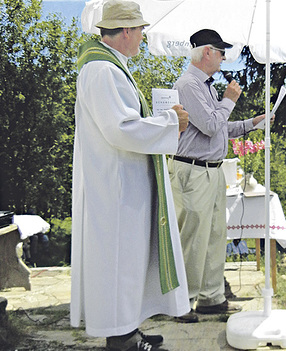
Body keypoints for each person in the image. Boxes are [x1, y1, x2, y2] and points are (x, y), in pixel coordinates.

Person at [70, 1, 190, 350]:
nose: (142, 36)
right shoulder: (101, 71)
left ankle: (128, 328)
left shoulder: (109, 66)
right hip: (115, 186)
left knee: (129, 260)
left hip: (121, 181)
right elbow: (120, 128)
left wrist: (163, 122)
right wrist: (171, 123)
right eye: (140, 30)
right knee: (120, 261)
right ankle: (121, 338)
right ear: (125, 31)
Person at [169, 29, 269, 323]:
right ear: (207, 52)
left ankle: (211, 298)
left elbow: (220, 128)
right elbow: (212, 125)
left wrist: (253, 123)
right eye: (221, 51)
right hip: (193, 171)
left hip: (210, 171)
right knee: (193, 238)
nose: (225, 57)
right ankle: (182, 302)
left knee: (214, 236)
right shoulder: (188, 85)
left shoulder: (207, 87)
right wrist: (230, 100)